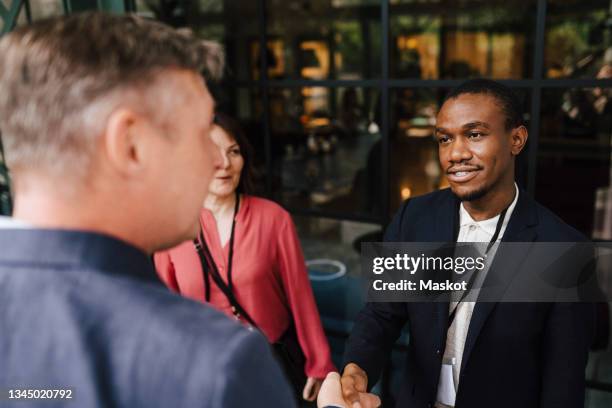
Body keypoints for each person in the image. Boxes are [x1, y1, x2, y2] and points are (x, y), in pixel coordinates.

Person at [0, 12, 296, 407]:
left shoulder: (272, 218)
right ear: (131, 145)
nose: (216, 161)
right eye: (199, 133)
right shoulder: (216, 365)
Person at [332, 79, 595, 408]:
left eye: (474, 134)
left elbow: (563, 386)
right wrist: (356, 369)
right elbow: (382, 314)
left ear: (516, 139)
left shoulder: (563, 249)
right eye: (444, 139)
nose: (455, 154)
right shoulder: (414, 218)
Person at [154, 112, 336, 402]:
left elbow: (300, 297)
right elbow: (164, 312)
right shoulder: (170, 226)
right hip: (204, 372)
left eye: (233, 152)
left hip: (269, 365)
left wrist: (320, 364)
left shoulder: (274, 219)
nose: (225, 164)